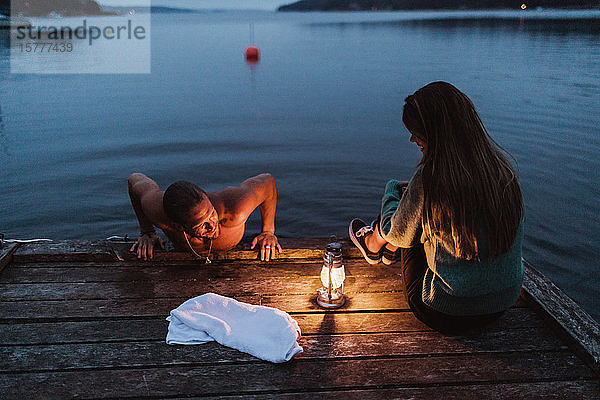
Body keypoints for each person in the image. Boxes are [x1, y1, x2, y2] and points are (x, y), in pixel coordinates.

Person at [349, 81, 525, 333]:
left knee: (400, 214)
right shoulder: (505, 172)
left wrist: (392, 189)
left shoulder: (430, 177)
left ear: (436, 132)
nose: (412, 138)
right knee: (417, 209)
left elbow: (398, 231)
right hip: (501, 305)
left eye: (416, 131)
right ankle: (381, 249)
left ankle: (374, 244)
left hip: (443, 310)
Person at [128, 172, 282, 261]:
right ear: (179, 226)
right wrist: (147, 232)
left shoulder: (236, 209)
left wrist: (268, 231)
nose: (212, 225)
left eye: (211, 213)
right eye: (201, 225)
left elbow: (268, 182)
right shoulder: (157, 212)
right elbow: (134, 180)